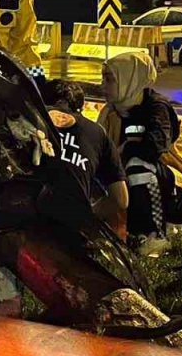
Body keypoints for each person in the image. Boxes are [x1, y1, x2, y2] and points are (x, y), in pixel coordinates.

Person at [98, 51, 182, 254]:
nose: (102, 85)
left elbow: (153, 147)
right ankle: (131, 232)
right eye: (102, 77)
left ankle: (155, 236)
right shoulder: (110, 113)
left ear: (129, 79)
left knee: (137, 164)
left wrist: (121, 152)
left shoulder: (157, 108)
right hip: (143, 186)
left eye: (109, 78)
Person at [40, 79, 129, 238]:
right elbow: (120, 199)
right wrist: (86, 214)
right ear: (80, 109)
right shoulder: (97, 133)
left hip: (26, 217)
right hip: (71, 229)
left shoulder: (30, 116)